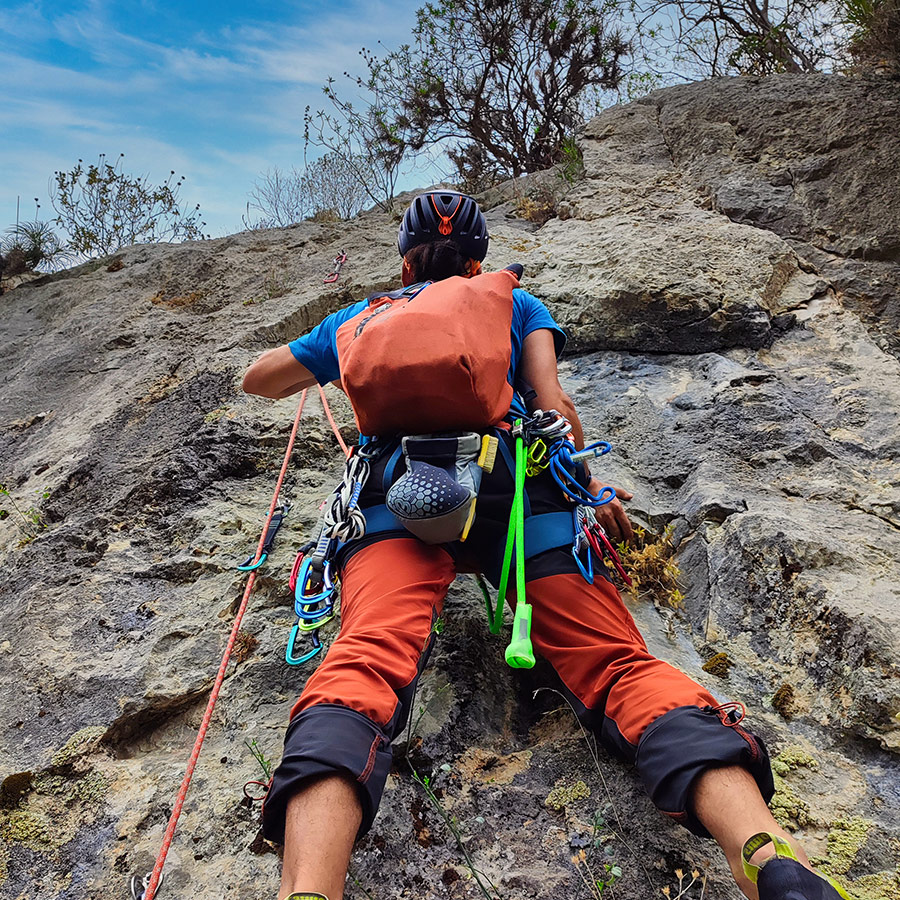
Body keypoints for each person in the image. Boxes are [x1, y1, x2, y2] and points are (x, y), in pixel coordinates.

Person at [243, 191, 849, 900]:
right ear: (480, 258)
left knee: (365, 660)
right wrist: (590, 491)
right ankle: (766, 855)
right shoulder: (513, 303)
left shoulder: (364, 316)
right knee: (619, 665)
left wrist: (331, 355)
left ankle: (310, 888)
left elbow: (259, 380)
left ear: (407, 258)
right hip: (520, 494)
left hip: (394, 497)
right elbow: (553, 406)